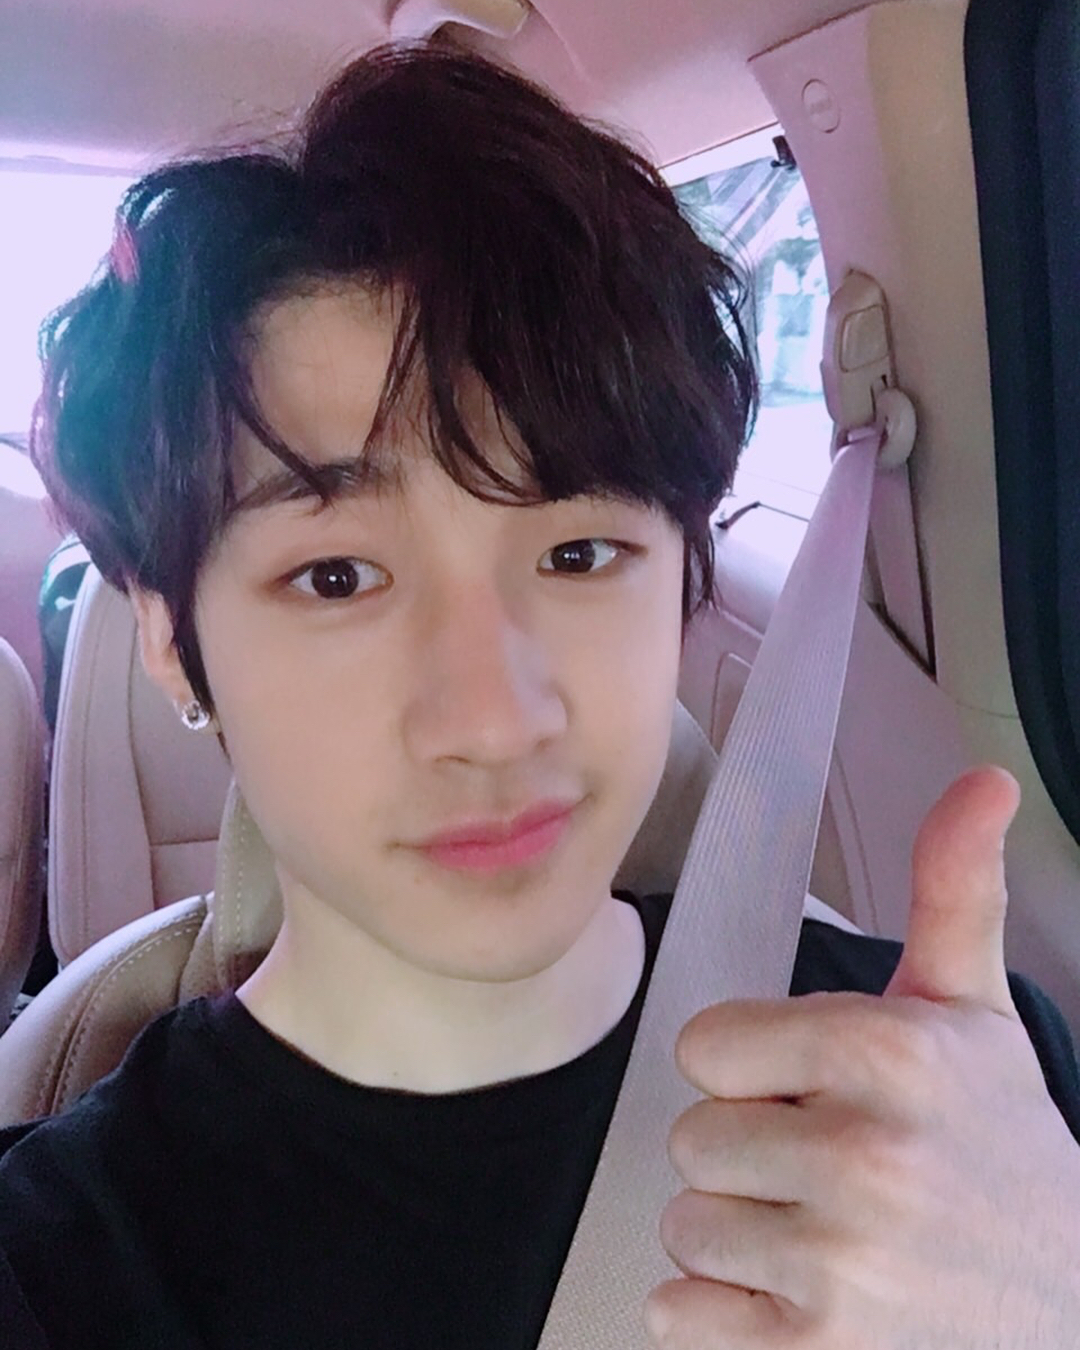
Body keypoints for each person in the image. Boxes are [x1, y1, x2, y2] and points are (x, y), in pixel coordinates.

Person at [2, 40, 1079, 1350]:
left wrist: (1047, 1297)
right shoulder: (61, 1261)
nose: (496, 718)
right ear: (174, 640)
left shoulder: (964, 1097)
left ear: (683, 570)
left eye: (578, 554)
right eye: (336, 576)